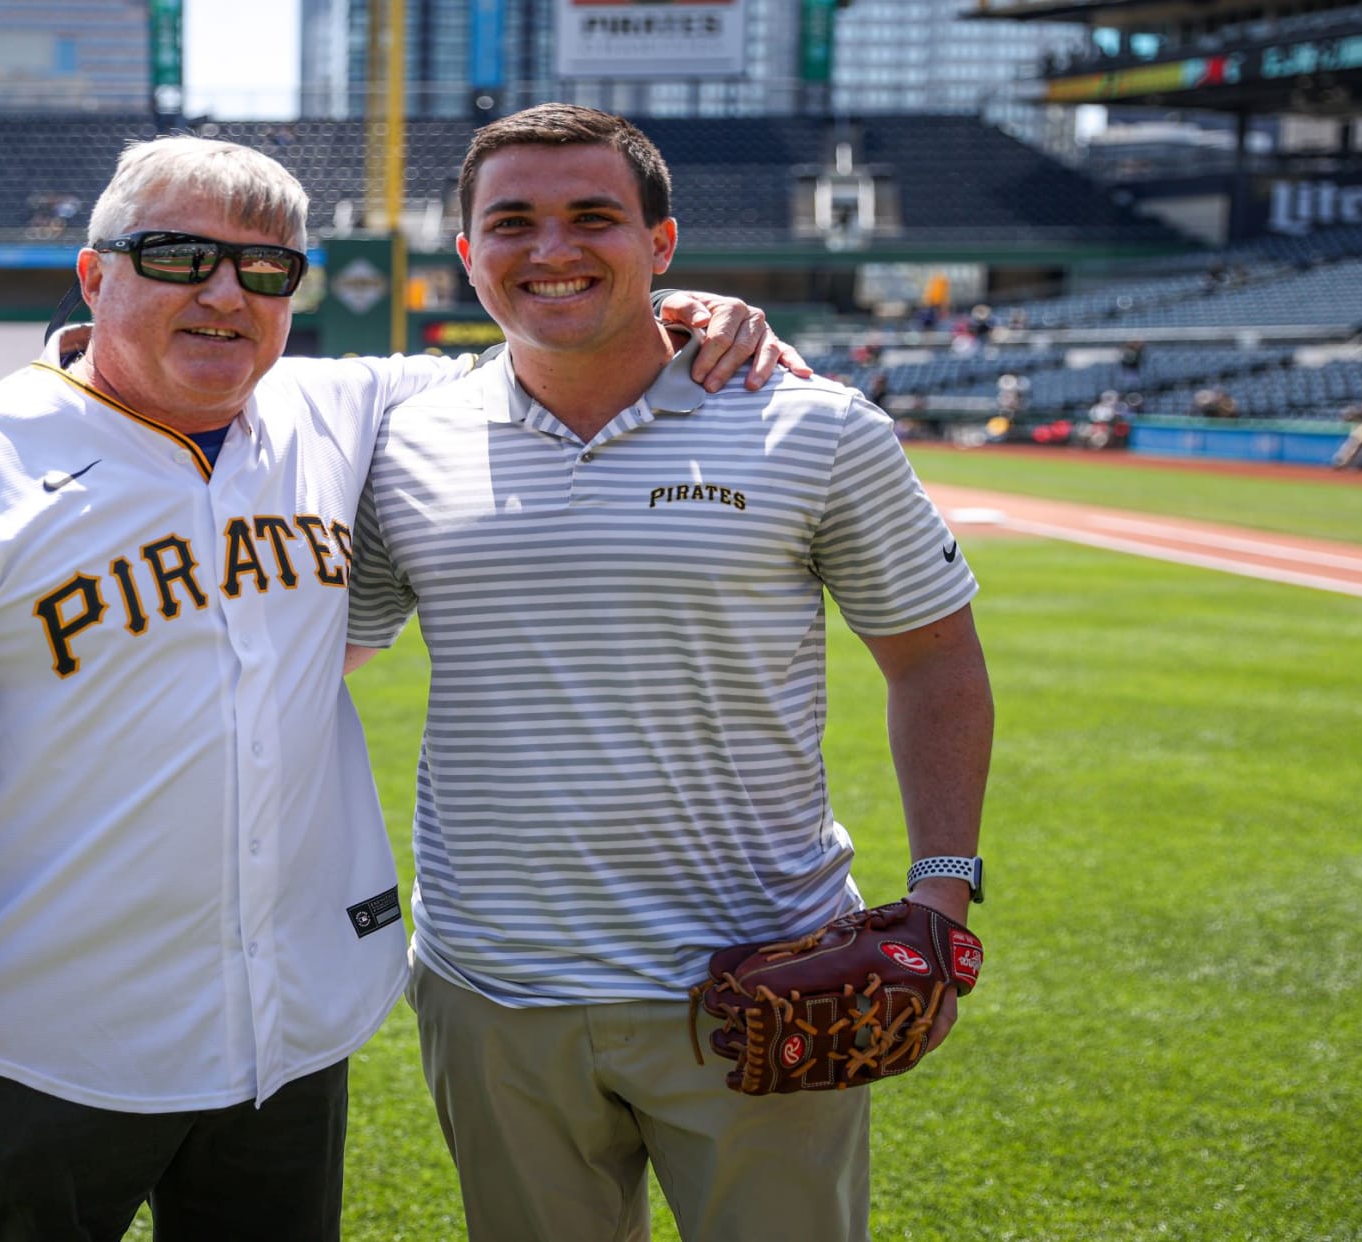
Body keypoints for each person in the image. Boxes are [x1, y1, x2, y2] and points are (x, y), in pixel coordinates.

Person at [0, 134, 801, 1242]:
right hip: (50, 1032)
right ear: (94, 274)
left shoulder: (341, 411)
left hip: (289, 1029)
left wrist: (681, 304)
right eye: (177, 258)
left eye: (267, 270)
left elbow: (552, 338)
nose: (226, 294)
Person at [344, 104, 992, 1242]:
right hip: (493, 990)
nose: (552, 250)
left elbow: (935, 658)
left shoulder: (815, 427)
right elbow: (320, 662)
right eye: (514, 223)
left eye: (594, 216)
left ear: (663, 244)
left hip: (763, 974)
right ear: (467, 255)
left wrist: (941, 891)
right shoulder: (401, 442)